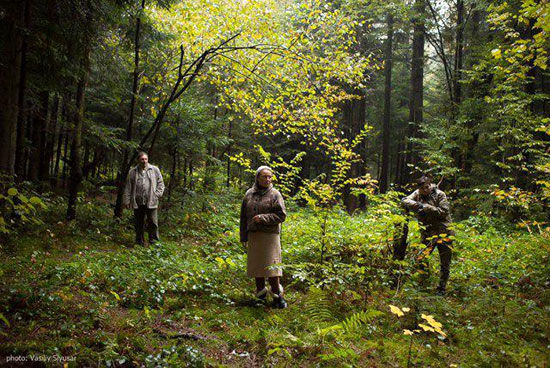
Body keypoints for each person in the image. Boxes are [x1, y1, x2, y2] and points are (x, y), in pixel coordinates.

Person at [240, 166, 288, 308]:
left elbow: (282, 215)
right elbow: (243, 217)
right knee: (257, 267)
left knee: (273, 268)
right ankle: (260, 296)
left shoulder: (275, 194)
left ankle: (277, 297)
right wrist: (243, 236)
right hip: (254, 235)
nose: (267, 179)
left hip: (270, 236)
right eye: (264, 177)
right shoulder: (249, 194)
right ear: (257, 177)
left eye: (270, 177)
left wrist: (263, 218)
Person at [401, 175, 453, 296]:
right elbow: (405, 200)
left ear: (431, 185)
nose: (426, 189)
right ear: (419, 188)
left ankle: (442, 288)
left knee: (445, 262)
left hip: (444, 232)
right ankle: (423, 285)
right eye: (423, 188)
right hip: (427, 233)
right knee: (421, 259)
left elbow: (443, 212)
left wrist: (426, 207)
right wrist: (417, 205)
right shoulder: (417, 193)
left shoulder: (440, 194)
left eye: (427, 186)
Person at [123, 152, 165, 246]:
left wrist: (157, 195)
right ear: (138, 160)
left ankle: (154, 242)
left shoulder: (154, 169)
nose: (144, 161)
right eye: (142, 159)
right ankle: (139, 242)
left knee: (153, 222)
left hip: (151, 201)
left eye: (146, 159)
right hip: (137, 202)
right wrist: (126, 200)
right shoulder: (132, 171)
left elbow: (161, 183)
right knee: (138, 223)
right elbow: (128, 187)